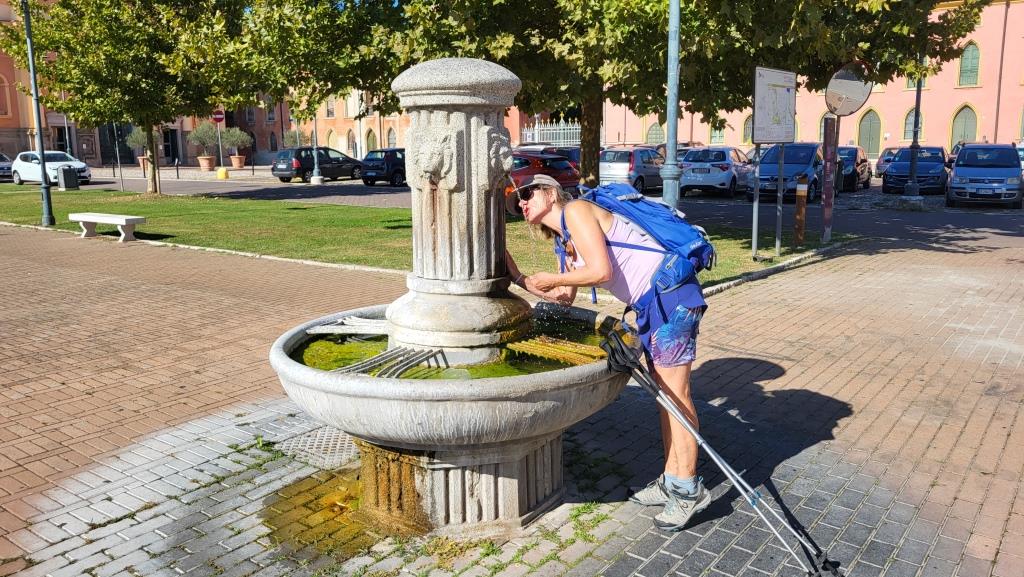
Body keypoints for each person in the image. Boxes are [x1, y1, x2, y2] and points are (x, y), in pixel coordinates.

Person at [504, 174, 710, 532]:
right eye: (516, 200)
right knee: (664, 397)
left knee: (676, 396)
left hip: (670, 295)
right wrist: (518, 277)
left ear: (550, 193)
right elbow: (563, 298)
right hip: (652, 303)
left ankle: (688, 488)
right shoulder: (565, 240)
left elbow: (601, 271)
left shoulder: (577, 211)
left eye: (527, 193)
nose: (521, 202)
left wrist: (555, 278)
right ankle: (671, 478)